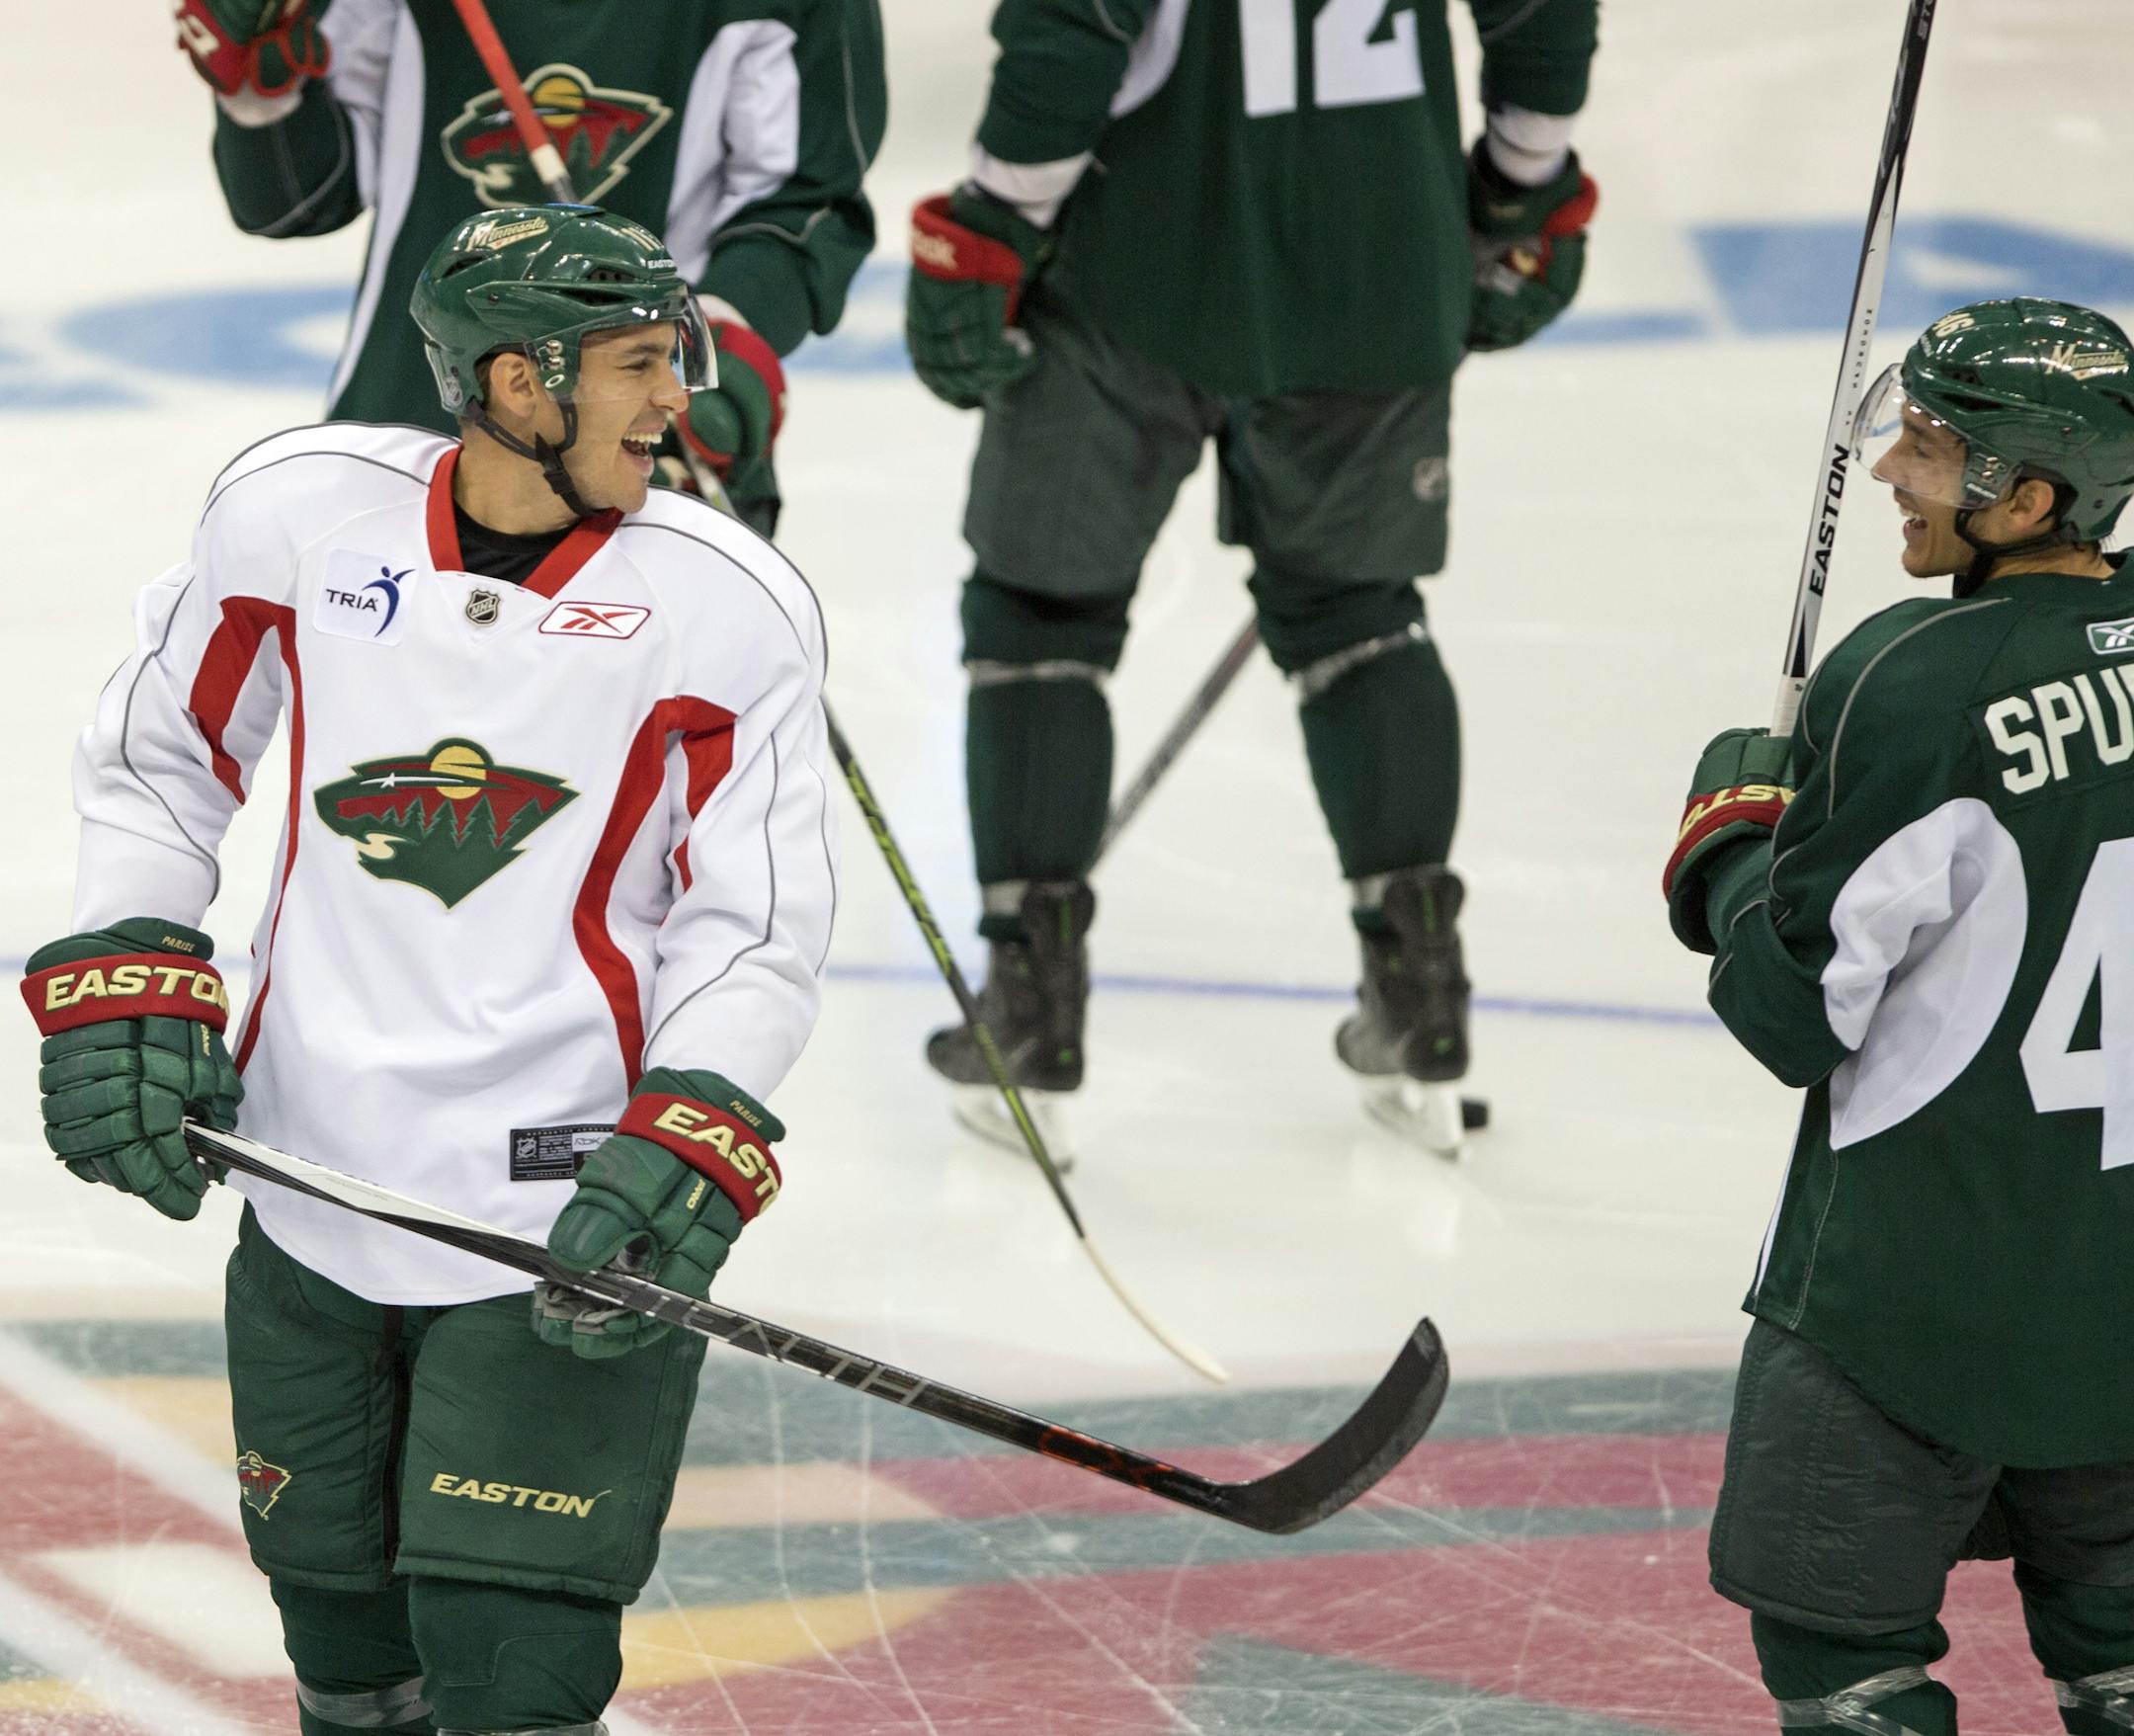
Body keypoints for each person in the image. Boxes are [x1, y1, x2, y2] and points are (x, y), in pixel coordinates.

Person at [19, 207, 836, 1736]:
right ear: (520, 387)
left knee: (514, 1678)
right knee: (343, 1660)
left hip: (561, 1222)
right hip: (307, 1180)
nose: (684, 402)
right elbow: (161, 755)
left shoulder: (727, 604)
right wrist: (132, 955)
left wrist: (696, 1118)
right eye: (642, 364)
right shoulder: (299, 513)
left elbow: (755, 923)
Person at [902, 0, 1599, 1152]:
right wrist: (1525, 176)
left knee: (1040, 612)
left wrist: (997, 219)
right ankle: (1419, 990)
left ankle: (1029, 1012)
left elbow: (1074, 24)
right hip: (1383, 254)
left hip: (1141, 267)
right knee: (1357, 613)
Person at [1663, 297, 2134, 1736]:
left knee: (1845, 1666)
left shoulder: (1911, 680)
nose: (1889, 477)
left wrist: (1737, 842)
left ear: (2030, 495)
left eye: (1926, 449)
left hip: (1908, 1300)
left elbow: (1788, 1011)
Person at [172, 0, 885, 535]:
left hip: (646, 457)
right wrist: (259, 91)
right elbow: (292, 202)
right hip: (401, 463)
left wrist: (717, 358)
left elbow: (805, 204)